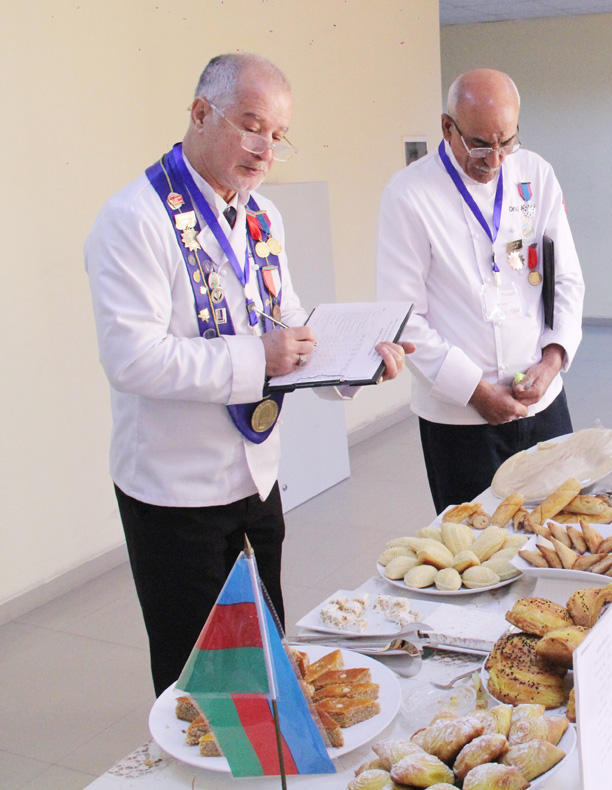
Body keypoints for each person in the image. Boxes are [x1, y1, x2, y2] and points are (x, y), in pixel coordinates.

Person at [85, 53, 412, 695]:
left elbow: (286, 321)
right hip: (176, 491)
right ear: (201, 113)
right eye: (253, 125)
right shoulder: (135, 218)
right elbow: (131, 356)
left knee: (265, 651)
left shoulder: (262, 215)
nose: (265, 151)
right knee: (200, 677)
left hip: (257, 476)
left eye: (278, 136)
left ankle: (267, 761)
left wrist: (352, 366)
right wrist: (257, 358)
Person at [377, 68, 585, 513]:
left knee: (561, 528)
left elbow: (566, 277)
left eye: (506, 142)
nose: (494, 159)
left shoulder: (536, 173)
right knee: (474, 553)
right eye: (479, 143)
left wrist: (553, 360)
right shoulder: (409, 195)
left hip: (542, 401)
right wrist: (475, 392)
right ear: (447, 127)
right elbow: (405, 316)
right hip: (459, 418)